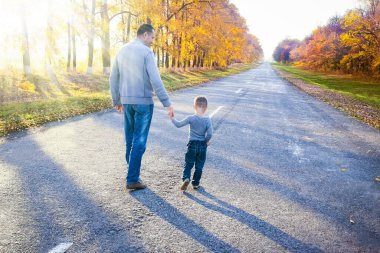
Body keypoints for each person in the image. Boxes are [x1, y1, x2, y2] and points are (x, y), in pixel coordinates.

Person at [110, 24, 174, 190]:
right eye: (152, 37)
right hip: (143, 103)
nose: (152, 41)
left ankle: (132, 173)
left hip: (126, 102)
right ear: (145, 35)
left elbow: (113, 77)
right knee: (139, 141)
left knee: (130, 139)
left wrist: (116, 100)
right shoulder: (146, 52)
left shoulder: (122, 50)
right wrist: (167, 103)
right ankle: (132, 178)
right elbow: (155, 79)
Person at [170, 96, 213, 191]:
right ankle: (196, 183)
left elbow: (178, 124)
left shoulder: (191, 118)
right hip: (202, 145)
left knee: (188, 163)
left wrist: (172, 117)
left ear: (194, 106)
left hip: (192, 144)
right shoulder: (207, 120)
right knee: (199, 165)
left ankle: (186, 178)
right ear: (206, 108)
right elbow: (210, 133)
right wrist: (206, 141)